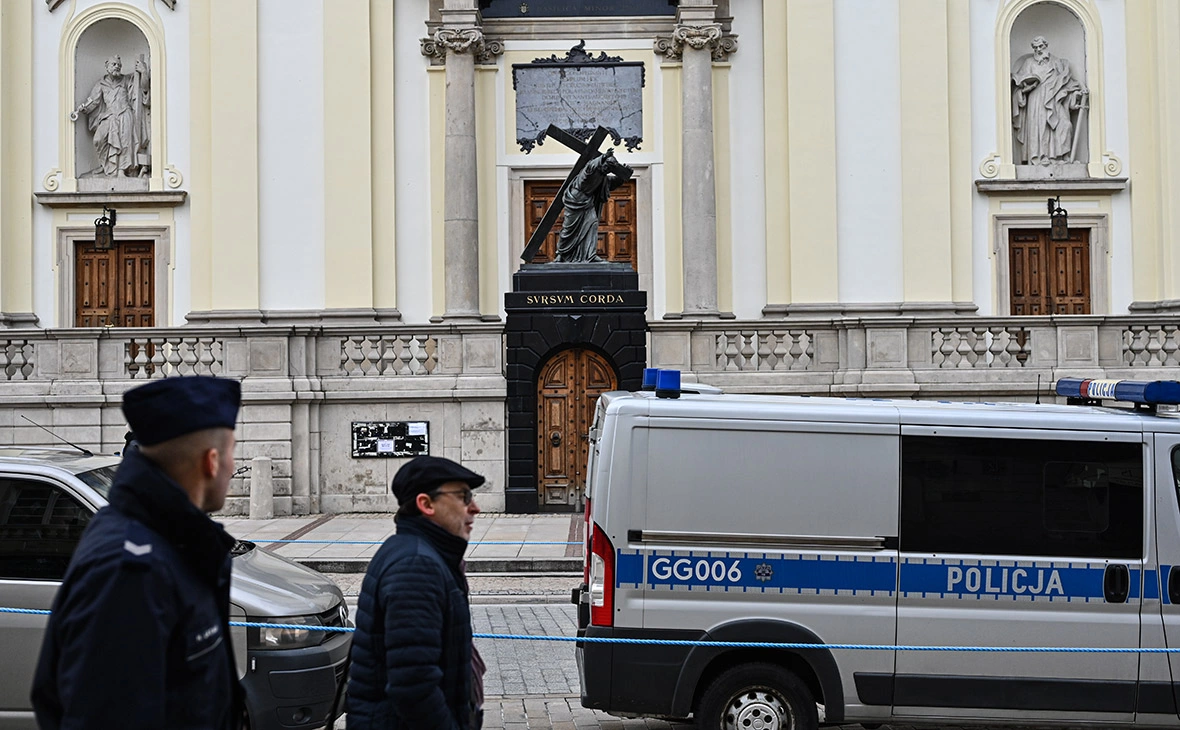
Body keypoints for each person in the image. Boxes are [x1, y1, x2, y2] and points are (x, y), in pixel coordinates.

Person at [31, 376, 245, 730]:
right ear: (211, 461)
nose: (234, 466)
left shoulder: (170, 543)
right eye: (232, 452)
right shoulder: (132, 571)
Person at [347, 455, 486, 729]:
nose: (475, 508)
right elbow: (414, 686)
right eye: (463, 496)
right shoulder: (416, 565)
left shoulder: (417, 551)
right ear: (426, 504)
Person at [70, 54, 151, 177]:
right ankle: (106, 166)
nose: (117, 67)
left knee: (125, 142)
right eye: (114, 64)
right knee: (98, 139)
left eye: (119, 65)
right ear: (107, 66)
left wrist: (143, 72)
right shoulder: (101, 84)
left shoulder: (126, 79)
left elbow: (143, 87)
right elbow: (93, 100)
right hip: (109, 116)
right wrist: (84, 108)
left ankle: (121, 171)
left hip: (125, 114)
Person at [1011, 36, 1088, 165]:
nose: (1038, 50)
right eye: (1035, 48)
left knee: (1065, 125)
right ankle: (1039, 157)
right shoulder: (1029, 63)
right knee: (1039, 127)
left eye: (1041, 46)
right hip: (1036, 98)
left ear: (1046, 46)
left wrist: (1077, 93)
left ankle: (1060, 157)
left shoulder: (1057, 63)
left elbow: (1066, 83)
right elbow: (1018, 84)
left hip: (1054, 98)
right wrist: (1025, 89)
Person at [554, 147, 633, 263]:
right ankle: (561, 254)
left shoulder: (603, 177)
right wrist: (603, 156)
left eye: (609, 169)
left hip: (587, 202)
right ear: (602, 163)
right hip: (575, 200)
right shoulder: (591, 170)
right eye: (606, 166)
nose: (606, 169)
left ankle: (590, 255)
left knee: (593, 223)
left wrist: (623, 176)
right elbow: (591, 166)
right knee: (568, 229)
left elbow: (611, 183)